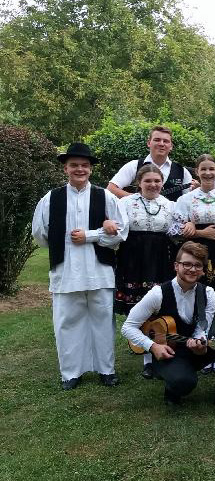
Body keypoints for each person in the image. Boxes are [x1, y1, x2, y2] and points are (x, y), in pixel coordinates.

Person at [32, 143, 127, 390]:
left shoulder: (105, 196)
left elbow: (120, 231)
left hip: (99, 270)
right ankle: (71, 373)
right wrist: (61, 245)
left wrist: (92, 236)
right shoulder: (51, 198)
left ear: (91, 169)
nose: (80, 169)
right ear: (65, 168)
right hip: (65, 271)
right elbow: (40, 233)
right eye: (74, 165)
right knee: (67, 322)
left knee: (103, 320)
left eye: (84, 165)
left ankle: (106, 369)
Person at [121, 241, 215, 409]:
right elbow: (127, 327)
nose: (192, 269)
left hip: (191, 348)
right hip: (166, 352)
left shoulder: (208, 294)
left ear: (203, 270)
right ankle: (173, 382)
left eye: (197, 265)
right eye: (186, 264)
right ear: (176, 266)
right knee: (184, 383)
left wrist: (200, 344)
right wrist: (153, 346)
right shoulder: (158, 294)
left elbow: (202, 329)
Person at [171, 154, 215, 315]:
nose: (208, 173)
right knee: (194, 293)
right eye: (203, 169)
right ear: (197, 172)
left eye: (211, 169)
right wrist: (198, 231)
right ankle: (191, 326)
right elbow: (173, 230)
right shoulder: (186, 199)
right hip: (195, 251)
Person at [115, 165, 175, 315]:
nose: (153, 184)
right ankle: (134, 328)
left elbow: (176, 232)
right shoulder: (125, 202)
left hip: (160, 256)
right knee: (134, 302)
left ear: (162, 182)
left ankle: (156, 329)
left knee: (158, 300)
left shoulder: (170, 205)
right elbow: (118, 228)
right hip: (133, 255)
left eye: (157, 181)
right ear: (139, 182)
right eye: (148, 181)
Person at [107, 126, 195, 201]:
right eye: (157, 140)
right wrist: (136, 199)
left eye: (165, 141)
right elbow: (111, 189)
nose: (161, 144)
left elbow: (190, 200)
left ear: (171, 146)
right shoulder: (134, 165)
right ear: (149, 143)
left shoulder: (182, 171)